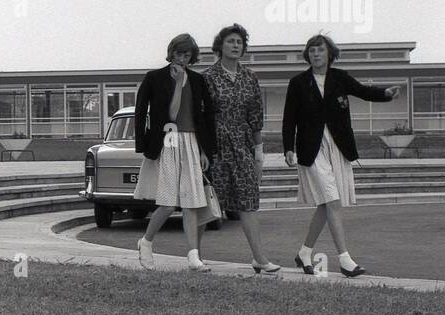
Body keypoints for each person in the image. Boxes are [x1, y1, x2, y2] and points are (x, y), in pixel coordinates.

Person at [282, 32, 401, 277]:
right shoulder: (298, 83)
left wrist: (386, 94)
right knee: (333, 202)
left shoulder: (340, 78)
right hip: (311, 148)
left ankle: (305, 253)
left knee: (327, 204)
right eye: (312, 50)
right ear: (308, 55)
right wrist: (288, 147)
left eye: (320, 50)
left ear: (330, 54)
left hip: (337, 146)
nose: (316, 54)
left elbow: (363, 91)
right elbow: (289, 118)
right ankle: (345, 260)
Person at [133, 33, 218, 272]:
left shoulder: (199, 81)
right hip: (167, 140)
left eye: (187, 54)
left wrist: (205, 150)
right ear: (171, 52)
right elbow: (153, 114)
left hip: (192, 141)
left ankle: (193, 257)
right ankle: (146, 242)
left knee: (191, 203)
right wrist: (145, 147)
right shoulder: (154, 78)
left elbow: (206, 117)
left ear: (192, 56)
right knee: (169, 203)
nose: (182, 58)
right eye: (179, 53)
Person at [202, 23, 280, 274]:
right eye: (230, 41)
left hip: (243, 145)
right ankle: (196, 255)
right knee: (207, 202)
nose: (235, 46)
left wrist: (259, 152)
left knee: (248, 200)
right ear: (220, 46)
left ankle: (259, 257)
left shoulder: (250, 77)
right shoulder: (208, 77)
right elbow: (201, 117)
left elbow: (256, 115)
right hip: (215, 146)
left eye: (239, 42)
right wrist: (203, 152)